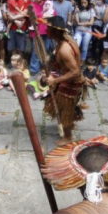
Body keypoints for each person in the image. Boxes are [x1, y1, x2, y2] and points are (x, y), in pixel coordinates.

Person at [42, 16, 86, 146]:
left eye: (48, 28)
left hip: (71, 83)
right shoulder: (66, 41)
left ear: (56, 31)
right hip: (70, 80)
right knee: (67, 108)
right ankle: (70, 125)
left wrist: (56, 81)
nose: (46, 30)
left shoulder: (64, 49)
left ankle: (68, 136)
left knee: (63, 109)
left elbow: (75, 71)